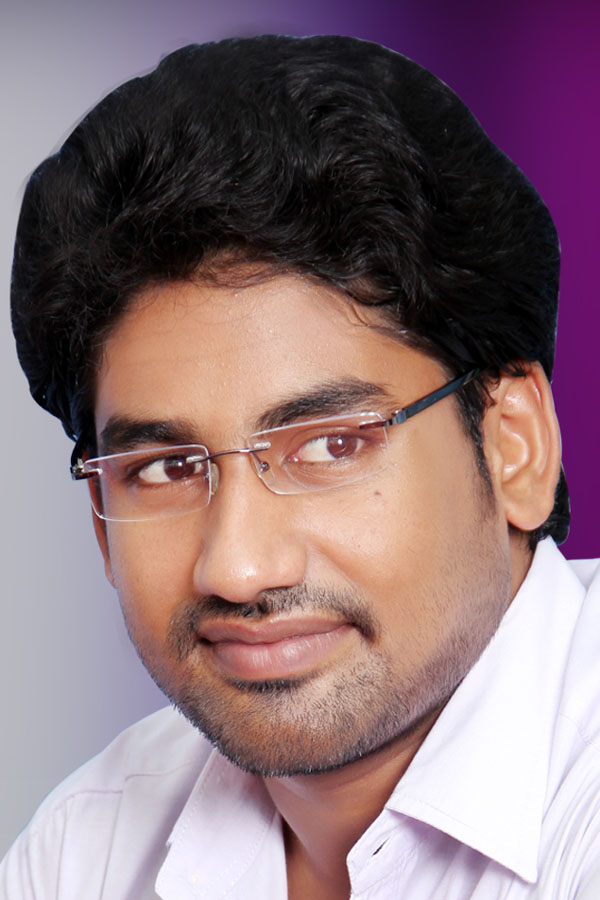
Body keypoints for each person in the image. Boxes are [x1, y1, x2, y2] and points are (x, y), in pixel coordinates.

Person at [2, 32, 600, 900]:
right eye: (165, 468)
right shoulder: (87, 851)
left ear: (514, 445)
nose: (238, 568)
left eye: (330, 446)